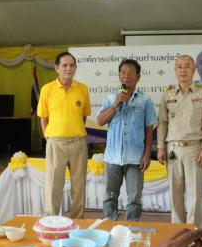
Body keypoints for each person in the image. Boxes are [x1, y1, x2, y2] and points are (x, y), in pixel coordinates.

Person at [157, 55, 202, 226]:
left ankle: (194, 232)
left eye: (187, 66)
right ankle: (177, 231)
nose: (183, 70)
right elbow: (162, 122)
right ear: (175, 70)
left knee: (194, 195)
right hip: (172, 149)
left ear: (194, 69)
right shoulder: (167, 94)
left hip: (195, 149)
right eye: (179, 67)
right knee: (175, 194)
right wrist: (160, 147)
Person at [97, 59, 157, 221]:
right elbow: (101, 121)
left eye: (131, 73)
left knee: (134, 199)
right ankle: (109, 226)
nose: (126, 76)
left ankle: (131, 229)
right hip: (112, 158)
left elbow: (149, 129)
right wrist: (116, 104)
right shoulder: (110, 99)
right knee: (110, 197)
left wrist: (147, 155)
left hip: (136, 158)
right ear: (119, 77)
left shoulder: (145, 101)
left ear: (138, 77)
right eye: (123, 73)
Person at [37, 51, 91, 219]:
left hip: (79, 142)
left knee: (79, 183)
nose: (68, 68)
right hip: (55, 142)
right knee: (54, 183)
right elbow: (43, 118)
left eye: (72, 65)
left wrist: (73, 132)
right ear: (56, 68)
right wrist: (50, 137)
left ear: (75, 68)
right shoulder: (47, 89)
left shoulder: (82, 88)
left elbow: (83, 116)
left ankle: (78, 220)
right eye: (65, 65)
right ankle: (51, 220)